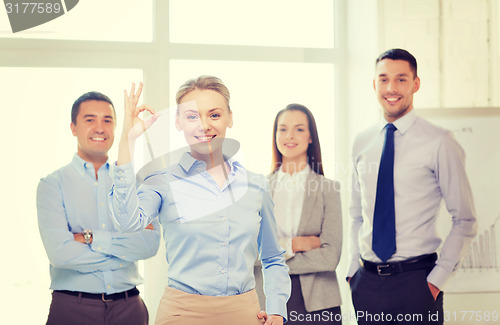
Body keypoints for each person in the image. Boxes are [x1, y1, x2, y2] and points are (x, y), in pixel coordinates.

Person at [110, 76, 291, 325]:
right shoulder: (162, 180)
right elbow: (127, 223)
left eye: (214, 115)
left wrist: (277, 309)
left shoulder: (256, 185)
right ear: (178, 122)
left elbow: (272, 258)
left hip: (245, 314)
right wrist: (127, 141)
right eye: (192, 116)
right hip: (181, 314)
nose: (204, 125)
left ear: (229, 117)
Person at [347, 48, 477, 325]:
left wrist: (436, 281)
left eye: (401, 79)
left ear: (416, 83)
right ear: (374, 84)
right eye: (383, 79)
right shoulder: (362, 142)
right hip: (366, 285)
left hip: (416, 284)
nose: (391, 88)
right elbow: (357, 215)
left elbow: (465, 219)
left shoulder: (440, 141)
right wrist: (351, 272)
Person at [37, 91, 161, 325]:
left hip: (130, 308)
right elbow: (60, 254)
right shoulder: (52, 185)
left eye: (108, 120)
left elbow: (149, 244)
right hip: (72, 308)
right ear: (73, 127)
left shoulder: (134, 183)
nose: (100, 128)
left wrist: (89, 237)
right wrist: (124, 253)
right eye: (90, 119)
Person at [254, 104, 343, 324]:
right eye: (283, 129)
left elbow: (330, 257)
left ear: (311, 136)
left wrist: (273, 255)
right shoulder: (257, 188)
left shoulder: (328, 189)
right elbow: (248, 251)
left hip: (319, 304)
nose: (290, 136)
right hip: (267, 300)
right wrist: (294, 245)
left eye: (299, 129)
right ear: (275, 135)